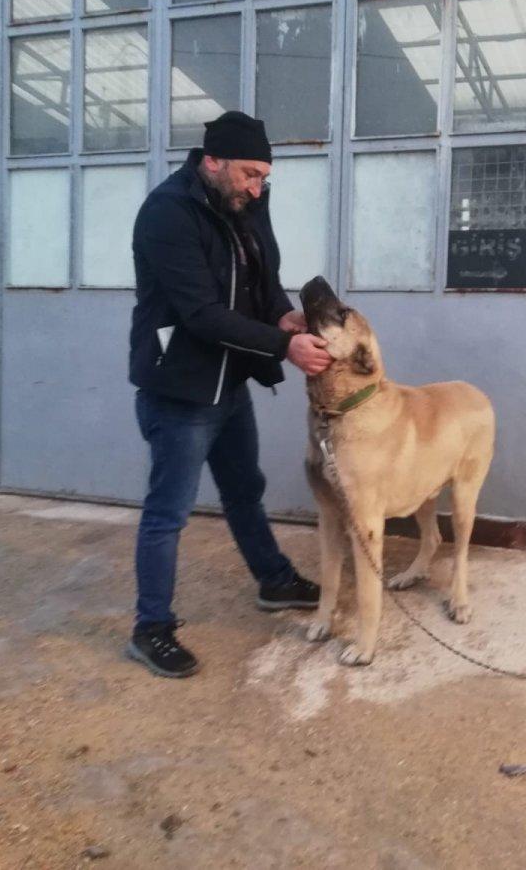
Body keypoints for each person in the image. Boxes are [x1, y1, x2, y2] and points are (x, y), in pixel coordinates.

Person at [126, 111, 333, 678]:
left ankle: (273, 580)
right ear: (211, 161)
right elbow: (202, 313)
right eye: (248, 173)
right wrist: (282, 347)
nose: (256, 186)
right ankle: (151, 629)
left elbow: (261, 284)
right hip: (183, 390)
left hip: (230, 382)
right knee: (168, 513)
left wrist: (284, 316)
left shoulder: (244, 205)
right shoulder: (168, 213)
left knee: (245, 490)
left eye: (264, 176)